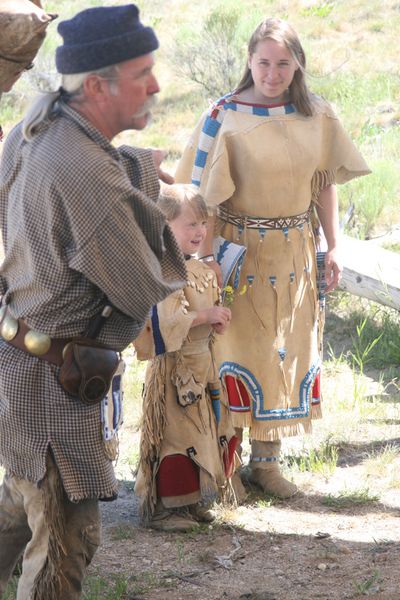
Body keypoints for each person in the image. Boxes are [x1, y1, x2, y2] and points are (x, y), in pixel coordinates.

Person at [0, 5, 187, 599]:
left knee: (23, 497)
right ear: (99, 85)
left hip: (22, 361)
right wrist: (165, 211)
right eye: (142, 73)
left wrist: (138, 166)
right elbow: (142, 285)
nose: (155, 85)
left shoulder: (37, 126)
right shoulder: (85, 170)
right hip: (54, 384)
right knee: (63, 541)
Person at [175, 17, 370, 500]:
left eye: (284, 63)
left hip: (297, 253)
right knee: (233, 351)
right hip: (238, 251)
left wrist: (334, 245)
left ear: (297, 64)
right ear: (249, 61)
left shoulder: (317, 115)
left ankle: (267, 464)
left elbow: (323, 188)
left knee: (285, 350)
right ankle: (224, 466)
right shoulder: (224, 115)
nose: (273, 72)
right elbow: (202, 199)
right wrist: (206, 258)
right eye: (264, 62)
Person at [134, 183, 237, 531]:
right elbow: (165, 321)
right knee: (176, 436)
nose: (200, 232)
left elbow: (201, 309)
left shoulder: (196, 267)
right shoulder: (165, 271)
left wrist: (216, 318)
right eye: (190, 224)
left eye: (203, 224)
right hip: (176, 372)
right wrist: (205, 317)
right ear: (166, 227)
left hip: (201, 365)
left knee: (200, 432)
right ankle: (167, 509)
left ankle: (190, 502)